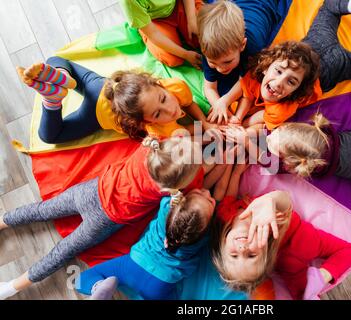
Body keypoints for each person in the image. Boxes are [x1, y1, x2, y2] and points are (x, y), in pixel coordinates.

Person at [0, 136, 204, 300]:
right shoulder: (172, 192)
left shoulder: (150, 147)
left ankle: (2, 221)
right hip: (104, 220)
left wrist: (185, 142)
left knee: (41, 210)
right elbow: (193, 188)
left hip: (89, 192)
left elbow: (176, 141)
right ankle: (12, 287)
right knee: (63, 251)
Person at [229, 0, 351, 130]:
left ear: (298, 90)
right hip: (313, 45)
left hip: (331, 66)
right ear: (267, 66)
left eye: (290, 81)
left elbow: (253, 118)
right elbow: (247, 93)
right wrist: (237, 117)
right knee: (330, 8)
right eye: (279, 71)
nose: (278, 83)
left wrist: (240, 125)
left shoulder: (280, 109)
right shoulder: (256, 76)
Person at [16, 58, 213, 143]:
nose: (170, 109)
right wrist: (205, 129)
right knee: (49, 136)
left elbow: (188, 103)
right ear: (146, 122)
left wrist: (204, 122)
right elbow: (188, 133)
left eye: (163, 99)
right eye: (157, 114)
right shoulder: (160, 131)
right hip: (95, 113)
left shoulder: (175, 87)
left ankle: (61, 74)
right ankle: (52, 100)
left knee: (56, 59)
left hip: (101, 85)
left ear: (160, 85)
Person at [211, 188, 351, 300]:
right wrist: (321, 277)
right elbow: (349, 251)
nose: (242, 249)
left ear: (223, 244)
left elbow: (282, 197)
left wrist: (269, 200)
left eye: (234, 255)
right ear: (265, 251)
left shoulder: (224, 217)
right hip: (299, 241)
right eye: (251, 255)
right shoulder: (298, 246)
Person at [76, 190, 215, 300]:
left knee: (81, 280)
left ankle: (98, 287)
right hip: (160, 285)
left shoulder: (166, 208)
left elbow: (177, 194)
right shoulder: (203, 237)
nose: (207, 192)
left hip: (133, 264)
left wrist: (190, 195)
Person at [197, 0, 284, 124]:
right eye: (213, 63)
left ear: (242, 45)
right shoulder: (209, 50)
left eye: (227, 62)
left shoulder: (254, 46)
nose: (220, 69)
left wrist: (225, 101)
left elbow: (246, 83)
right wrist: (219, 105)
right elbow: (209, 87)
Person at [119, 0, 203, 68]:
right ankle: (142, 26)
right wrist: (185, 54)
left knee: (205, 34)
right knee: (173, 59)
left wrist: (191, 20)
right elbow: (153, 33)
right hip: (155, 21)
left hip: (179, 3)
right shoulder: (129, 1)